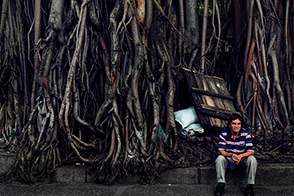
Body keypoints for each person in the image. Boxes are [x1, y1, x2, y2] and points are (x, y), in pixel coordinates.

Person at [214, 113, 257, 196]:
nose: (236, 126)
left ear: (241, 125)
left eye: (238, 124)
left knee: (252, 159)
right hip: (229, 160)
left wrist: (240, 156)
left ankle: (250, 186)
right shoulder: (224, 134)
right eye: (234, 123)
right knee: (219, 158)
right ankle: (220, 184)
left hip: (242, 160)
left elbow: (251, 151)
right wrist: (231, 155)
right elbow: (221, 151)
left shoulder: (246, 135)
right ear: (230, 125)